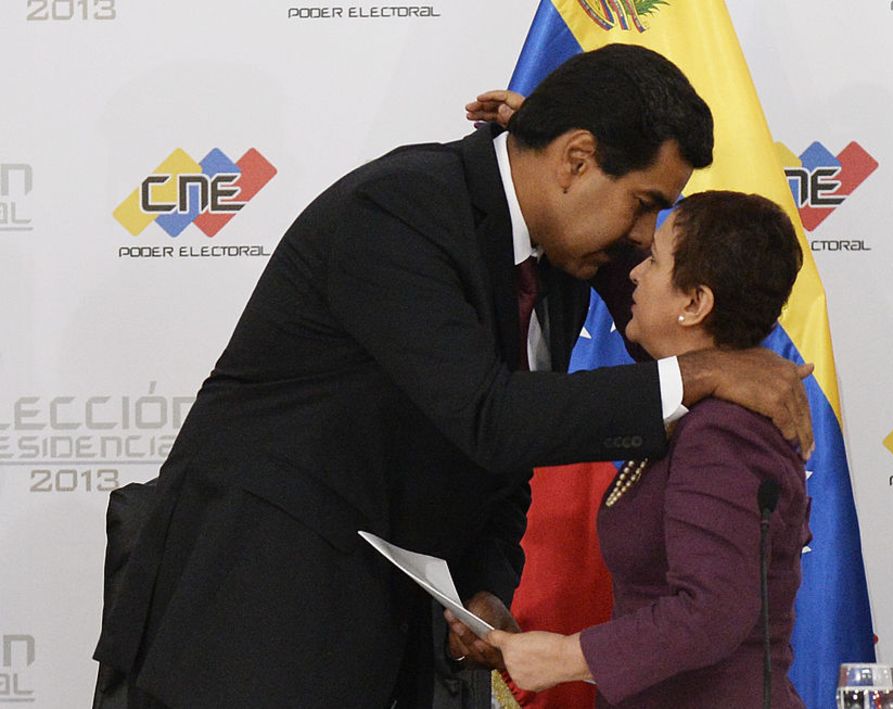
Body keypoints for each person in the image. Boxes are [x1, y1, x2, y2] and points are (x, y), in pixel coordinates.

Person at [93, 45, 812, 708]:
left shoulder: (558, 257)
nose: (639, 238)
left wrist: (487, 587)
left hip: (375, 636)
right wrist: (703, 371)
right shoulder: (399, 210)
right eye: (645, 203)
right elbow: (491, 416)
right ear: (575, 161)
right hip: (251, 621)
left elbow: (505, 454)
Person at [481, 191, 810, 708]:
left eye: (653, 260)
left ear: (695, 303)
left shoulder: (723, 434)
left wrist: (566, 658)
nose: (633, 274)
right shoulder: (697, 417)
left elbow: (713, 610)